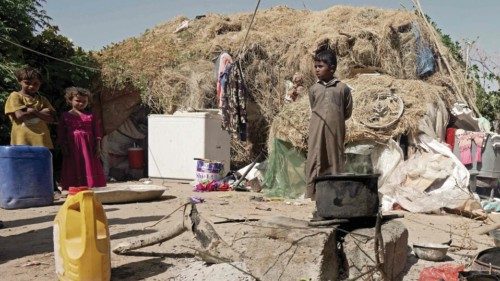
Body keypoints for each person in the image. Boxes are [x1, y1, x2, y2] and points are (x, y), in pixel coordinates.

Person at [306, 44, 353, 202]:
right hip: (316, 128)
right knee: (314, 157)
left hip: (335, 130)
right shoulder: (313, 89)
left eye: (320, 66)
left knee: (334, 158)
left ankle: (335, 194)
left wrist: (333, 120)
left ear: (332, 68)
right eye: (315, 66)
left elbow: (347, 112)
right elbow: (314, 107)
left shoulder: (343, 89)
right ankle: (312, 194)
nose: (317, 69)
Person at [58, 87, 106, 190]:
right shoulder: (65, 116)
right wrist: (63, 147)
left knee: (88, 163)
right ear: (70, 100)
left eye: (84, 101)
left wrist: (98, 146)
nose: (81, 103)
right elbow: (61, 133)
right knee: (74, 164)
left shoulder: (91, 116)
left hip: (89, 146)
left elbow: (97, 132)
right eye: (78, 101)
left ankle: (88, 187)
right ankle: (74, 188)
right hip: (73, 146)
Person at [4, 67, 55, 148]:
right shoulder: (15, 96)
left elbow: (51, 118)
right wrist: (41, 113)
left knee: (41, 160)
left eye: (36, 84)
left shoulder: (43, 99)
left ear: (40, 84)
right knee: (22, 160)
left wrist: (33, 111)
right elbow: (20, 116)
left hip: (42, 140)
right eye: (27, 83)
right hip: (21, 140)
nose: (31, 86)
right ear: (19, 81)